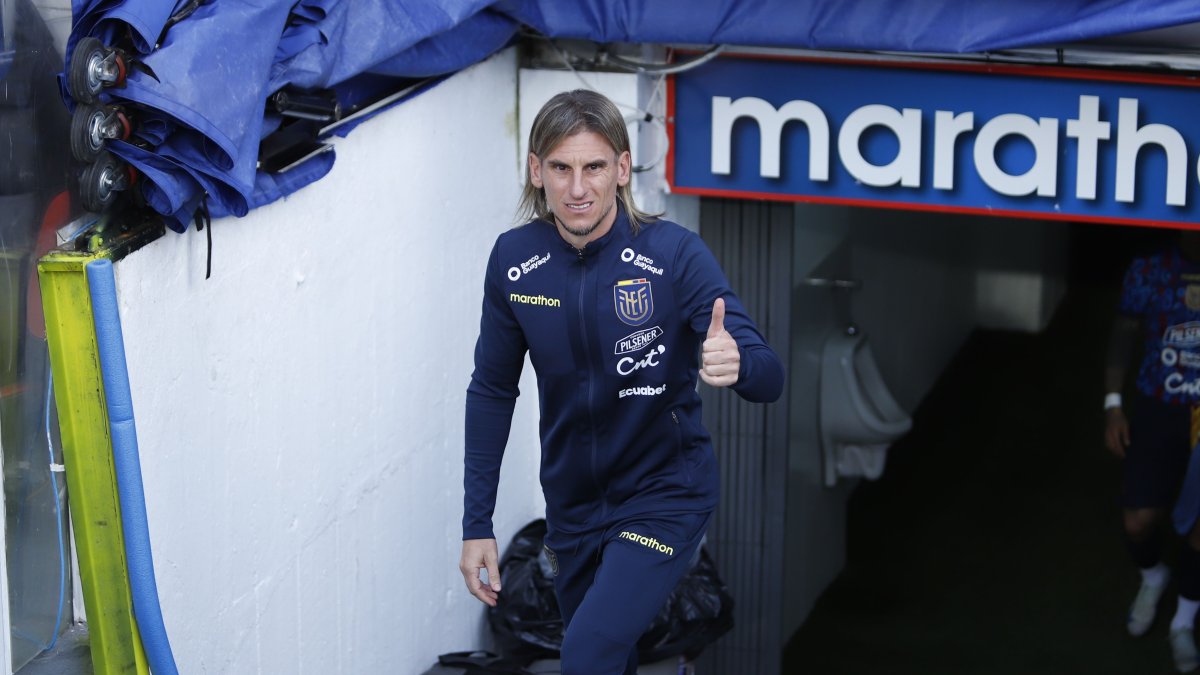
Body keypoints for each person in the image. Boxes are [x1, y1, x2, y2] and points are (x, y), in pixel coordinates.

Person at [457, 89, 784, 674]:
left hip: (664, 494)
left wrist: (740, 365)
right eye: (560, 167)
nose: (577, 188)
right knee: (610, 659)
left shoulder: (675, 255)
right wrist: (475, 523)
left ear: (623, 169)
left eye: (594, 167)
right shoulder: (514, 260)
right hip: (573, 503)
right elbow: (490, 391)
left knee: (587, 652)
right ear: (536, 171)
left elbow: (770, 377)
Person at [1105, 231, 1200, 674]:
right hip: (1158, 406)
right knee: (1138, 520)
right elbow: (1125, 331)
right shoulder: (1149, 269)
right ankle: (1153, 576)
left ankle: (1183, 623)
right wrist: (1113, 405)